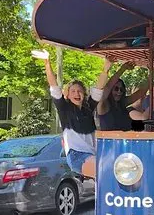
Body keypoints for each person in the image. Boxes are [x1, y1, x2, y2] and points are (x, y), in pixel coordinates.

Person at [32, 49, 109, 178]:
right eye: (72, 91)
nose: (76, 94)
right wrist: (47, 63)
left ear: (84, 94)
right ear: (67, 95)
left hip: (93, 154)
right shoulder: (64, 109)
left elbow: (99, 88)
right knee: (105, 171)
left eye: (79, 91)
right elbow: (54, 86)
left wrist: (106, 68)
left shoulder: (89, 107)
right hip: (77, 155)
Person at [97, 60, 152, 131]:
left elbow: (141, 92)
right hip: (111, 141)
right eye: (116, 89)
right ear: (110, 90)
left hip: (125, 140)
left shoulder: (122, 103)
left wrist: (151, 74)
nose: (119, 92)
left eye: (121, 89)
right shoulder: (103, 105)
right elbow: (107, 87)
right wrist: (123, 68)